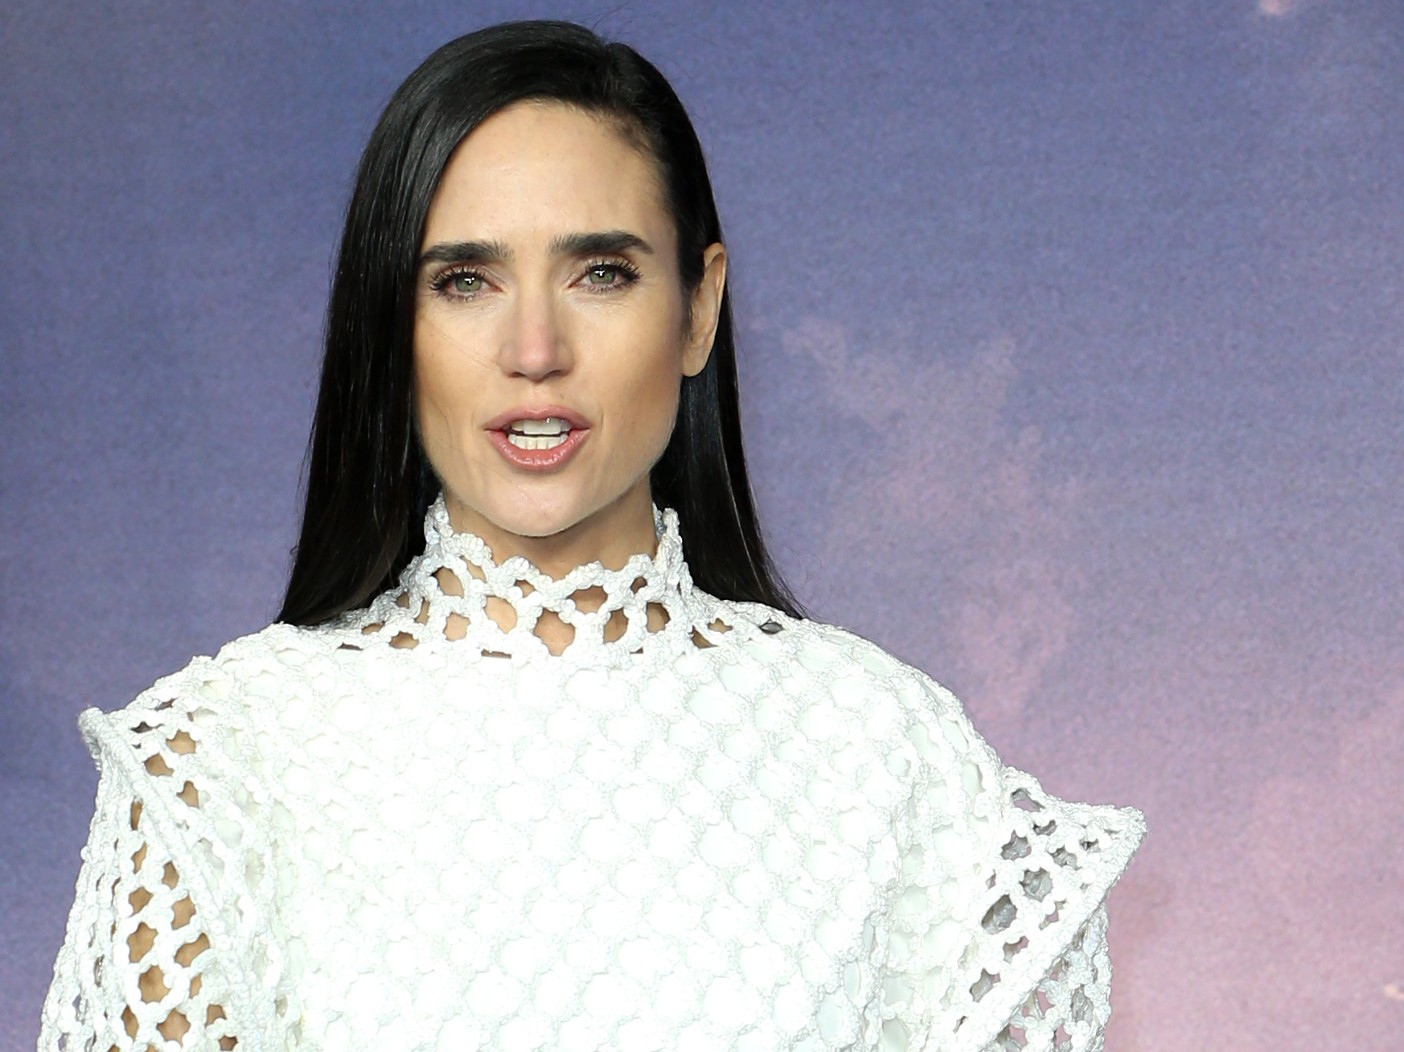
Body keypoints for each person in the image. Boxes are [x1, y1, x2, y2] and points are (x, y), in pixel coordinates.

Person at [38, 20, 1143, 1052]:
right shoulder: (214, 765)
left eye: (600, 272)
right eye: (465, 279)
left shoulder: (889, 756)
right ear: (393, 322)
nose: (534, 347)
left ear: (698, 307)